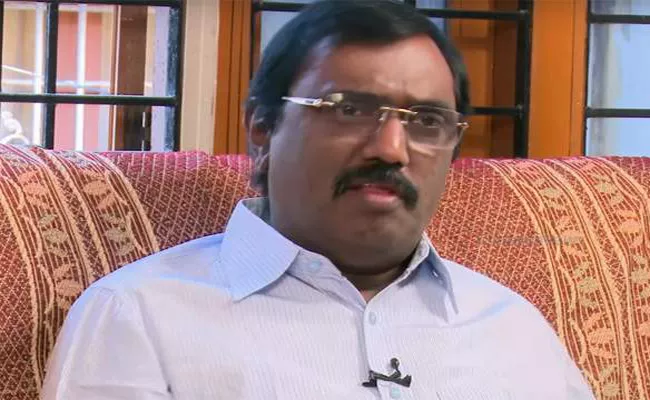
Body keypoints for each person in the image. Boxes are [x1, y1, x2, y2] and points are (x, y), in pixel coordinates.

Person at [41, 1, 595, 399]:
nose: (391, 148)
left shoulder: (513, 328)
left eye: (427, 121)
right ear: (262, 130)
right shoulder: (138, 317)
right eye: (349, 110)